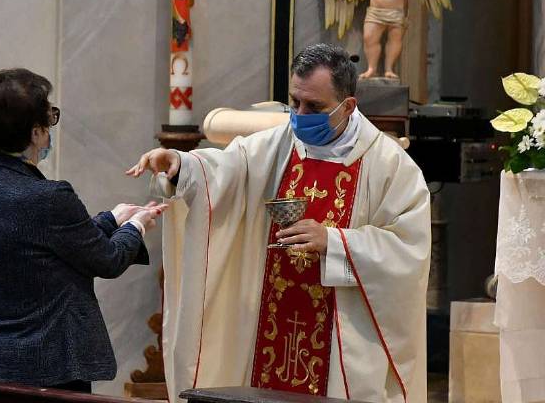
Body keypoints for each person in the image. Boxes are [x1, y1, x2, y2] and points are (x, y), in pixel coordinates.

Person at [127, 43, 431, 402]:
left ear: (348, 106)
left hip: (341, 345)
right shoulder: (280, 144)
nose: (300, 115)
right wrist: (179, 165)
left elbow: (409, 252)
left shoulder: (389, 166)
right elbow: (225, 171)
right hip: (271, 327)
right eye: (294, 102)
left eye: (314, 107)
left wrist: (335, 242)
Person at [0, 68, 166, 392]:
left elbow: (39, 247)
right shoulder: (49, 197)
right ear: (36, 132)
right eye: (49, 118)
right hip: (49, 366)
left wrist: (111, 219)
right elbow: (107, 260)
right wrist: (136, 226)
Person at [359, 0, 419, 80]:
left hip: (397, 10)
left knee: (395, 39)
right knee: (369, 38)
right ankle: (371, 68)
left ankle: (389, 69)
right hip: (376, 11)